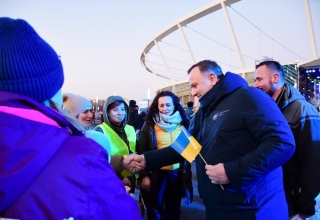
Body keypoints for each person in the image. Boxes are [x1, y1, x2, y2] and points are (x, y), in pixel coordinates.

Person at [0, 17, 141, 219]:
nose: (91, 115)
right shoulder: (82, 157)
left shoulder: (117, 134)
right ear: (50, 89)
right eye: (85, 111)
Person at [125, 60, 296, 219]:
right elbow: (185, 147)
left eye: (194, 85)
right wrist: (146, 159)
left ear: (212, 78)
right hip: (218, 207)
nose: (193, 92)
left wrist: (232, 171)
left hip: (252, 209)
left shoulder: (250, 97)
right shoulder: (204, 111)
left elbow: (282, 144)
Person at [254, 60, 320, 218]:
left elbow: (313, 163)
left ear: (275, 78)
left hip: (295, 204)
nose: (255, 85)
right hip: (275, 198)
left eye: (259, 79)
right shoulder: (267, 110)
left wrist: (306, 206)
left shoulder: (302, 110)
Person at [137, 91, 193, 220]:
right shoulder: (150, 124)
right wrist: (144, 175)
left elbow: (189, 151)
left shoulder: (184, 123)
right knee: (154, 211)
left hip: (177, 175)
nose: (165, 109)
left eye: (168, 105)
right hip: (156, 175)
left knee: (173, 212)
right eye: (161, 105)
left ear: (175, 105)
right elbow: (141, 150)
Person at [95, 96, 137, 194]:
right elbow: (100, 160)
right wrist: (120, 178)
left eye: (123, 109)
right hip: (113, 180)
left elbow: (137, 151)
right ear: (107, 113)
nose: (120, 113)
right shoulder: (100, 131)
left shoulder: (130, 128)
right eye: (115, 110)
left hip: (132, 179)